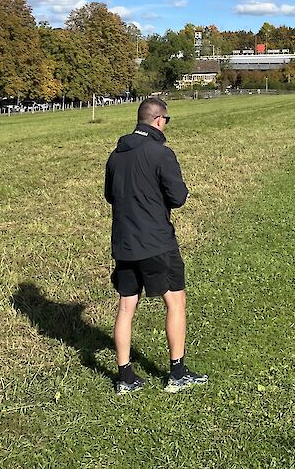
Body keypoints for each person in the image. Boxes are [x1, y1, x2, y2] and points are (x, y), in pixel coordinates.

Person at [104, 96, 208, 394]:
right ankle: (177, 373)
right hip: (156, 242)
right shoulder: (161, 154)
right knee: (175, 301)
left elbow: (110, 196)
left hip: (124, 242)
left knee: (126, 306)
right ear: (159, 120)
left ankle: (125, 377)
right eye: (167, 120)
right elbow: (178, 197)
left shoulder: (115, 155)